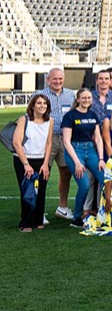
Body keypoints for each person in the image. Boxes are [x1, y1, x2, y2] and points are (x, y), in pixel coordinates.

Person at [62, 88, 105, 226]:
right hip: (75, 151)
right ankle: (77, 217)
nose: (86, 100)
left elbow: (98, 138)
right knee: (85, 185)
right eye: (84, 98)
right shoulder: (70, 116)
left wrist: (101, 158)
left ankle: (104, 212)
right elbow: (66, 141)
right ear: (78, 99)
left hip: (91, 150)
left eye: (89, 98)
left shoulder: (93, 115)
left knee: (106, 180)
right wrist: (77, 162)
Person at [12, 95, 53, 231]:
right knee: (28, 191)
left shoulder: (50, 121)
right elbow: (16, 143)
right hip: (24, 159)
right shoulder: (24, 119)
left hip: (41, 160)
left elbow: (49, 143)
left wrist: (46, 163)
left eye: (45, 103)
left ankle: (38, 220)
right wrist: (26, 164)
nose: (42, 106)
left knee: (41, 189)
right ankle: (25, 223)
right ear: (33, 106)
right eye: (39, 103)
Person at [42, 68, 76, 221]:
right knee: (42, 174)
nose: (57, 81)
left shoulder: (71, 94)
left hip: (66, 138)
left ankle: (62, 207)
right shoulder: (40, 95)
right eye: (54, 79)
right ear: (48, 79)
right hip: (46, 139)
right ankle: (39, 210)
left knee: (66, 173)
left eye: (60, 79)